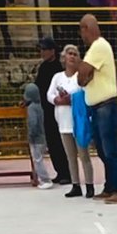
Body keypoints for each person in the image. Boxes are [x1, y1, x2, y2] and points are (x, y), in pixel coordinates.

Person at [77, 13, 117, 203]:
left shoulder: (98, 46)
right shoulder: (95, 49)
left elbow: (81, 74)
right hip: (98, 107)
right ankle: (110, 186)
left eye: (82, 30)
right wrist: (85, 75)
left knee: (110, 149)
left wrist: (85, 74)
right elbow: (82, 78)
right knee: (103, 150)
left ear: (86, 28)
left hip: (106, 105)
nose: (82, 36)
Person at [48, 44, 94, 197]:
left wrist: (72, 99)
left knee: (84, 155)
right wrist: (57, 99)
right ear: (64, 57)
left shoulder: (79, 77)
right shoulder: (57, 77)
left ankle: (89, 185)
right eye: (69, 54)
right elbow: (49, 94)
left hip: (78, 122)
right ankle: (75, 184)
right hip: (63, 123)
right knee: (70, 156)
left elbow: (86, 94)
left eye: (75, 54)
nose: (72, 56)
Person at [35, 37, 68, 184]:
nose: (42, 52)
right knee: (52, 142)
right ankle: (59, 172)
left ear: (52, 51)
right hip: (45, 110)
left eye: (44, 49)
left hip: (58, 108)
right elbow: (38, 87)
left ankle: (67, 172)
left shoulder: (58, 68)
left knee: (61, 141)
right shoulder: (43, 68)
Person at [22, 83, 53, 189]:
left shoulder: (31, 108)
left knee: (37, 160)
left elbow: (33, 122)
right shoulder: (39, 106)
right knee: (39, 159)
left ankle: (45, 180)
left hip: (36, 139)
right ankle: (43, 179)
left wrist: (31, 135)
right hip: (42, 137)